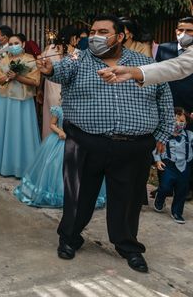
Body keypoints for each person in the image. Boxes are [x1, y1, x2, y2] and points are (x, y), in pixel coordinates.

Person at [38, 15, 174, 273]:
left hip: (133, 146)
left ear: (120, 36)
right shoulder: (78, 60)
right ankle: (69, 238)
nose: (95, 36)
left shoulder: (145, 64)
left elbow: (164, 100)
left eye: (103, 31)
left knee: (129, 200)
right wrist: (50, 70)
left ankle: (128, 246)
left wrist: (163, 135)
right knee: (78, 196)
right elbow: (59, 70)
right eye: (93, 31)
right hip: (85, 142)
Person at [14, 104, 106, 208]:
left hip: (77, 142)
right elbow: (52, 124)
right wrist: (60, 131)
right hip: (59, 141)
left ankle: (80, 194)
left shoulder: (81, 110)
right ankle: (58, 194)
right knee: (55, 165)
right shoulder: (58, 109)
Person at [0, 34, 41, 177]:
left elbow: (36, 82)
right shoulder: (4, 60)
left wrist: (18, 77)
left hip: (23, 101)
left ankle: (23, 166)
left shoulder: (30, 60)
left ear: (23, 44)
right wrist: (7, 77)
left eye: (16, 43)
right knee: (6, 132)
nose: (13, 46)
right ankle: (4, 165)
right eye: (10, 44)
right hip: (5, 100)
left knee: (22, 132)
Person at [38, 26, 79, 138]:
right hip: (64, 89)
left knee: (49, 118)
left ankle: (48, 142)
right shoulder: (76, 53)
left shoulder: (49, 48)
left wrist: (40, 89)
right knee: (61, 120)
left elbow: (41, 68)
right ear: (73, 38)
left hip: (49, 88)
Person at [153, 107, 192, 224]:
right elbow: (155, 150)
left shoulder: (189, 135)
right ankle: (159, 199)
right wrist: (158, 160)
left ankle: (177, 212)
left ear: (186, 123)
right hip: (168, 165)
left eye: (181, 121)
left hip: (185, 166)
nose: (178, 123)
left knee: (182, 191)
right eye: (175, 120)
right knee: (165, 187)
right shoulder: (163, 136)